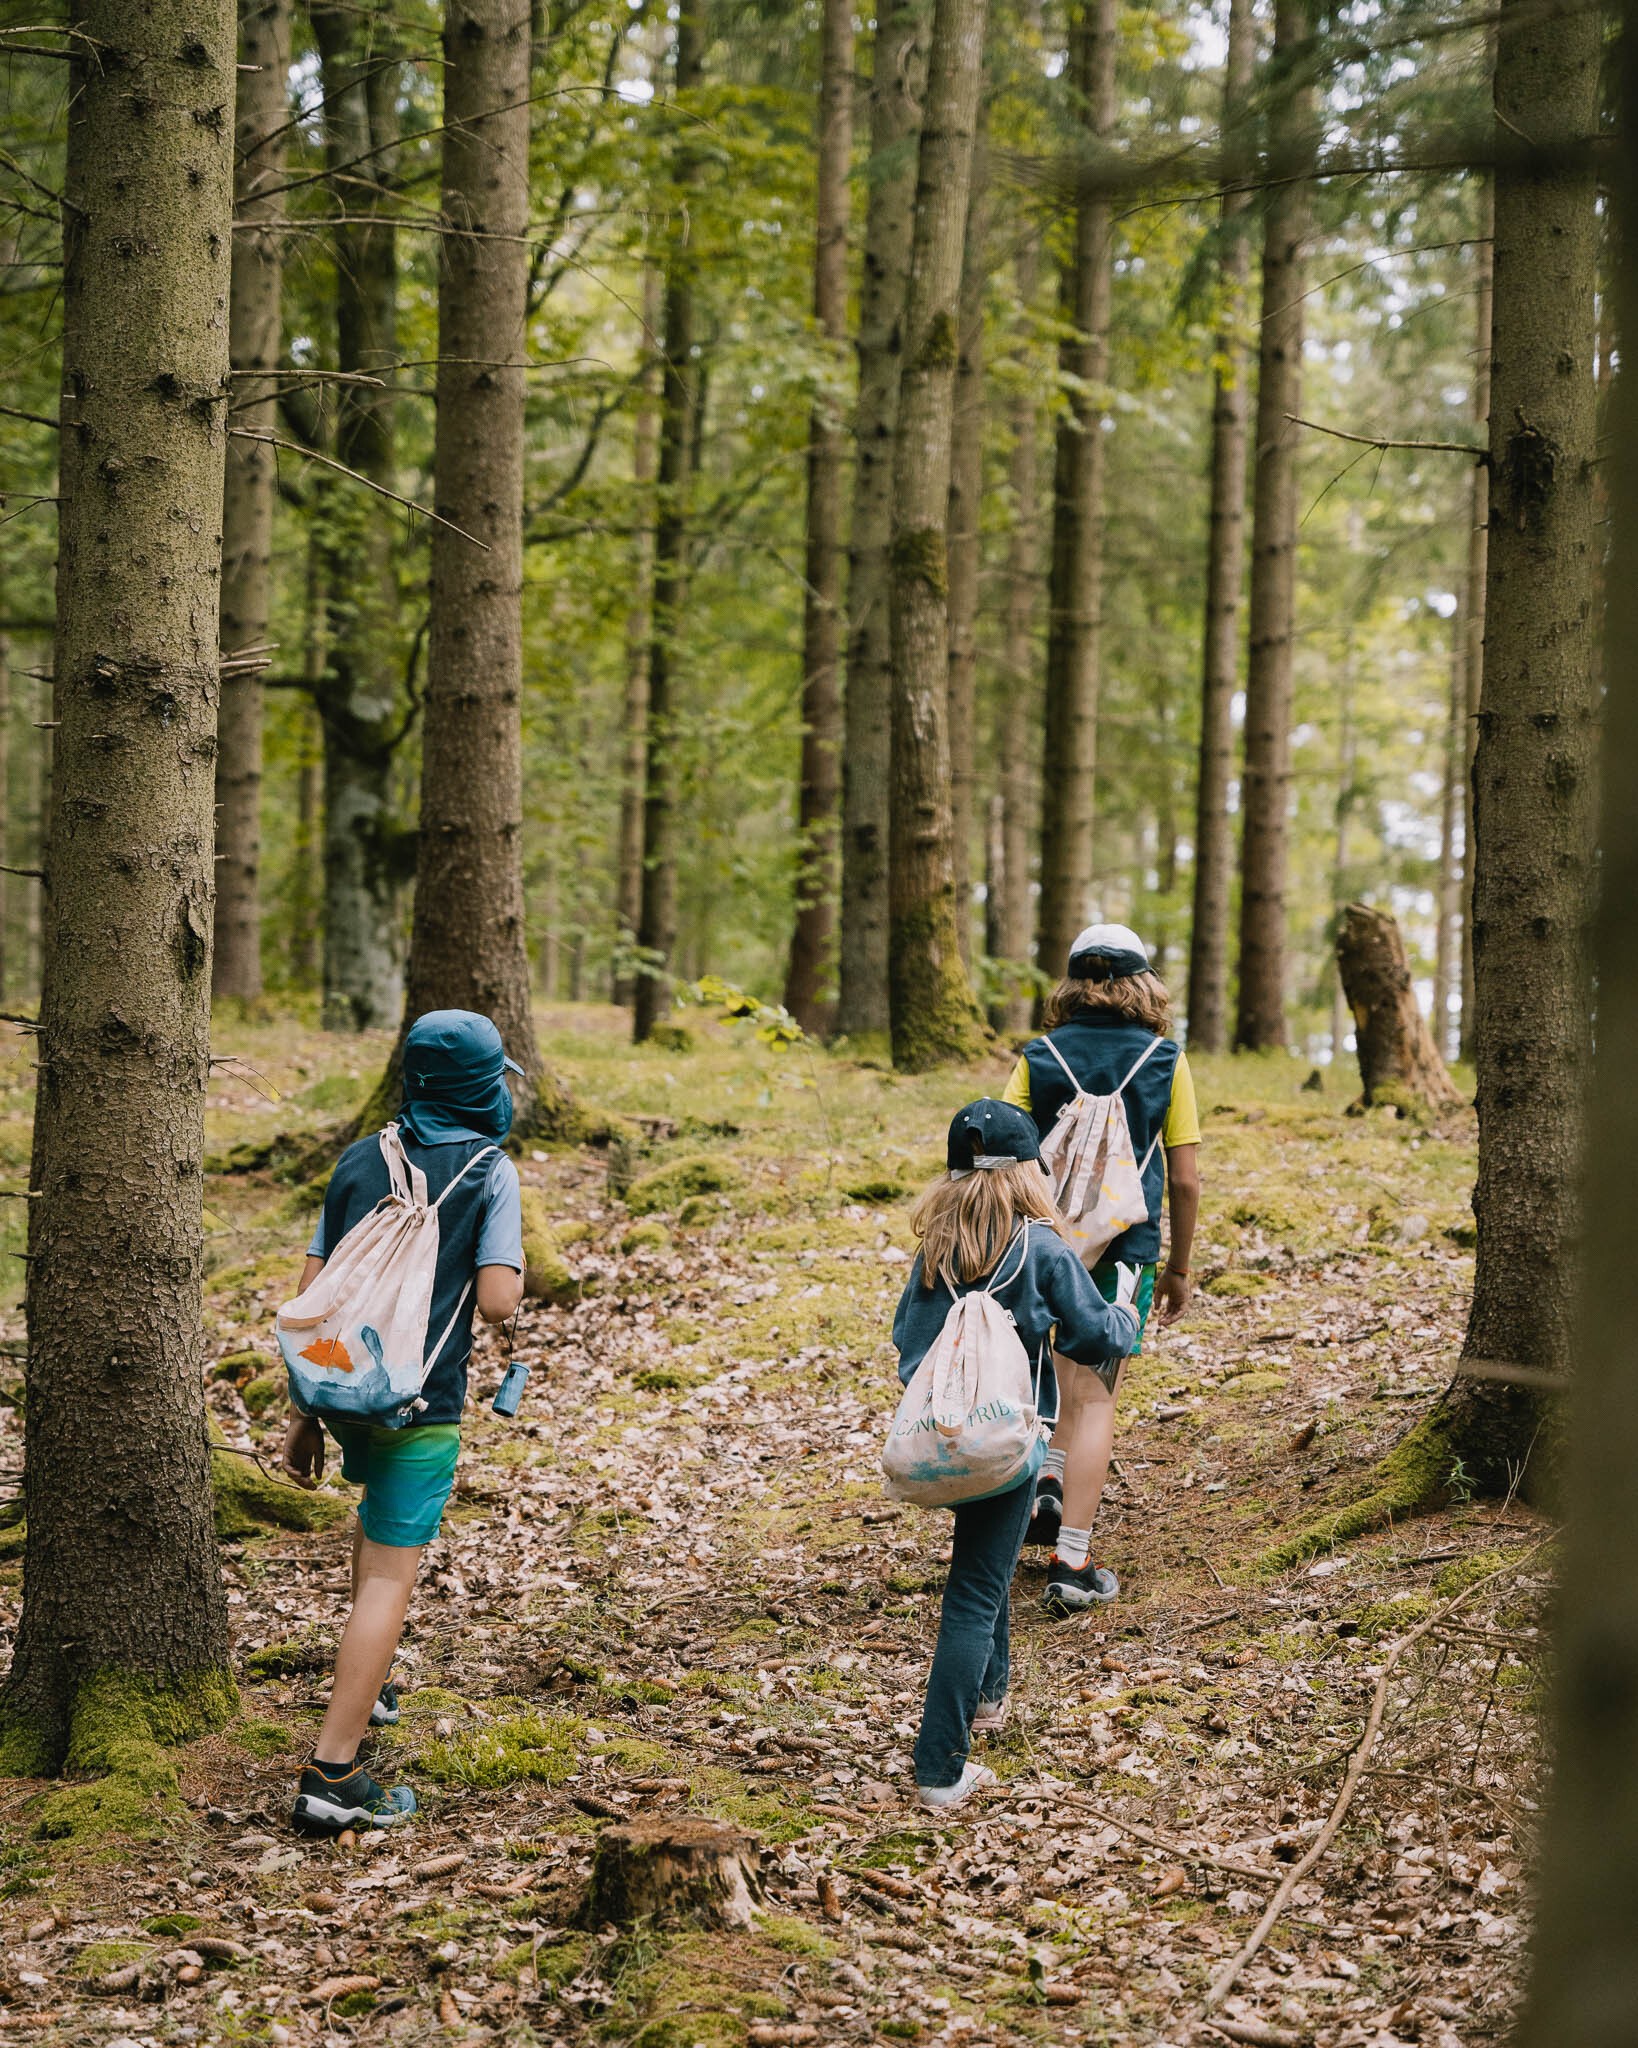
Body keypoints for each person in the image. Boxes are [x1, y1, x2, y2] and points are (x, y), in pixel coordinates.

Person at [280, 1011, 526, 1835]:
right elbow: (496, 1300)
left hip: (344, 1393)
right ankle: (333, 1773)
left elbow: (315, 1295)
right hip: (422, 1403)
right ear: (487, 1087)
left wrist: (303, 1416)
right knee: (390, 1576)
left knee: (370, 1532)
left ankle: (371, 1684)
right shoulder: (491, 1170)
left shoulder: (358, 1159)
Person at [891, 1101, 1140, 1811]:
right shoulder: (1041, 1246)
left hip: (952, 1443)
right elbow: (1096, 1337)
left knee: (987, 1562)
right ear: (1029, 1170)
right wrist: (1126, 1307)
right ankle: (940, 1768)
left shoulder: (936, 1250)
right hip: (1013, 1443)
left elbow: (910, 1347)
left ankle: (989, 1698)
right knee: (973, 1593)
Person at [1003, 923, 1201, 1616]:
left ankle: (1043, 1493)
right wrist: (1177, 1267)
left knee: (1048, 1379)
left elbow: (1001, 1157)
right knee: (1093, 1397)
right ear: (1143, 982)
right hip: (1124, 1251)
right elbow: (1185, 1180)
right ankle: (1073, 1561)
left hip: (1040, 1245)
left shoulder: (1037, 1056)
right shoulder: (1164, 1059)